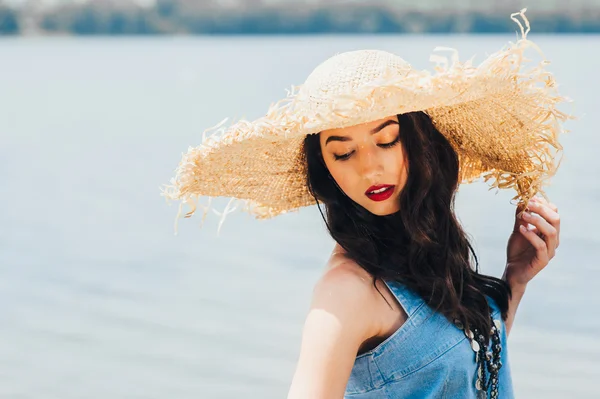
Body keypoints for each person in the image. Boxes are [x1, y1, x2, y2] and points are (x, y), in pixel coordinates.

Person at [163, 9, 568, 399]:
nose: (369, 168)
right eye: (343, 153)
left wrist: (515, 278)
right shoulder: (346, 291)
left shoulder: (428, 251)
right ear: (327, 170)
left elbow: (469, 373)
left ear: (417, 138)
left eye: (385, 140)